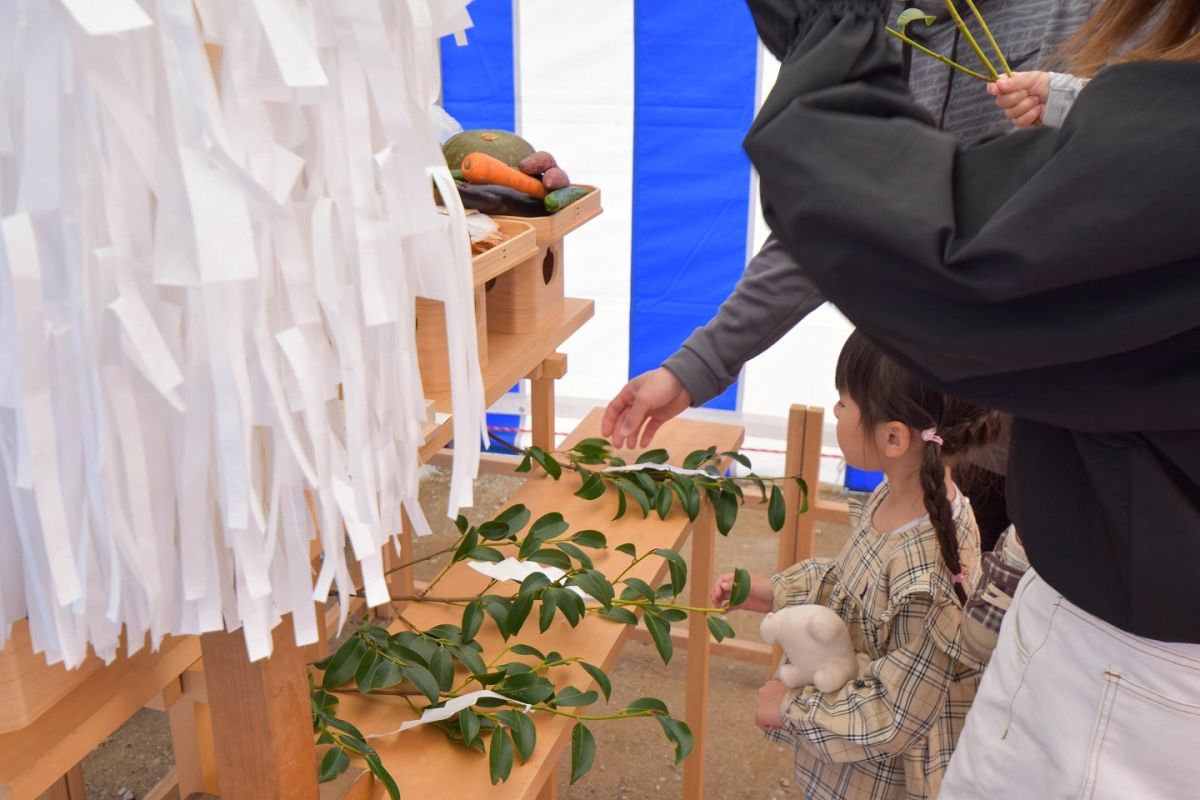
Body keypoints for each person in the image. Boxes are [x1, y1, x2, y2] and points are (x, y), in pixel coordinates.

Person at [739, 0, 1200, 796]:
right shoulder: (909, 516)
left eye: (847, 407)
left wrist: (834, 25)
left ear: (896, 437)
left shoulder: (926, 553)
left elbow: (944, 259)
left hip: (1136, 689)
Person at [603, 0, 1098, 551]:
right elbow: (839, 212)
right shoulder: (882, 23)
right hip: (958, 437)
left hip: (1081, 437)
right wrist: (696, 367)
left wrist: (1075, 105)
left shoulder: (1090, 15)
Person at [712, 329, 999, 799]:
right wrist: (774, 591)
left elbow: (893, 713)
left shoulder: (928, 576)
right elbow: (851, 586)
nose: (838, 412)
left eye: (844, 402)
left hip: (881, 782)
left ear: (892, 437)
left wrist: (792, 709)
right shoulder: (896, 496)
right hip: (847, 768)